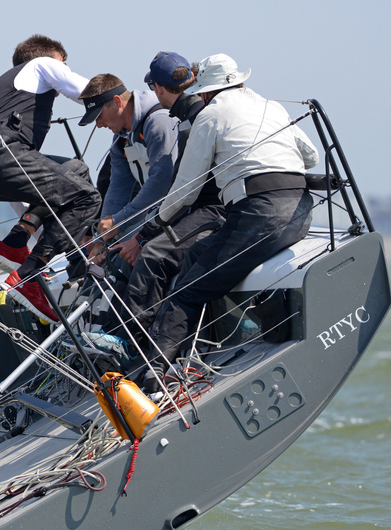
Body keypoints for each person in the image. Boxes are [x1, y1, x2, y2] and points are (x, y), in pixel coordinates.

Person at [138, 54, 319, 391]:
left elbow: (187, 189)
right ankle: (219, 344)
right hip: (300, 213)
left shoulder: (211, 115)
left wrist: (152, 227)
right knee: (200, 256)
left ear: (206, 92)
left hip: (258, 217)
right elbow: (312, 157)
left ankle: (154, 378)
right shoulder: (273, 107)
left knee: (185, 294)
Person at [0, 35, 100, 323]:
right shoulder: (42, 65)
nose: (65, 69)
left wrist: (34, 231)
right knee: (87, 196)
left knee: (75, 171)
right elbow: (88, 91)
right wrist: (120, 101)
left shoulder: (4, 94)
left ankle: (14, 243)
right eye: (64, 64)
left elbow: (36, 190)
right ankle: (30, 275)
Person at [102, 53, 226, 354]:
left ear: (158, 88)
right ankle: (111, 333)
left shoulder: (191, 120)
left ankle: (132, 345)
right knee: (124, 256)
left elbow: (175, 187)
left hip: (215, 210)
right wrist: (108, 232)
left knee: (153, 253)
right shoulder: (193, 117)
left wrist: (142, 235)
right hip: (202, 206)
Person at [77, 73, 179, 262]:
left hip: (181, 212)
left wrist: (118, 221)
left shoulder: (159, 121)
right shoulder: (120, 138)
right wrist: (101, 239)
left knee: (125, 259)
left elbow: (161, 182)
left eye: (98, 115)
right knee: (111, 257)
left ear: (117, 102)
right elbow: (118, 186)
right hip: (155, 215)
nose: (98, 124)